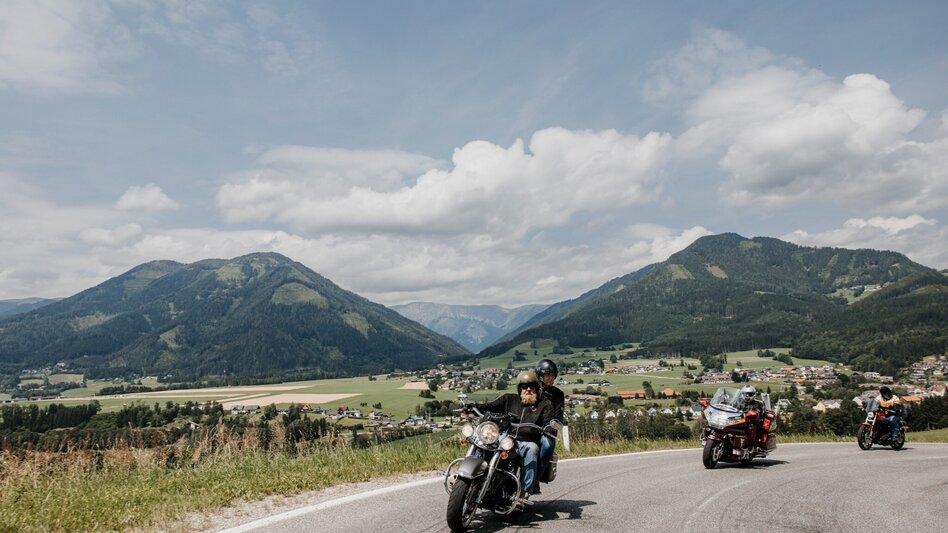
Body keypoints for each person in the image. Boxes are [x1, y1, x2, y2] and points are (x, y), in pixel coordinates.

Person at [471, 370, 552, 498]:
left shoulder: (544, 405)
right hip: (505, 438)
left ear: (537, 388)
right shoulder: (509, 399)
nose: (528, 389)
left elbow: (548, 420)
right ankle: (469, 476)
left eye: (532, 386)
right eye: (525, 386)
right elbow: (490, 406)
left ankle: (523, 492)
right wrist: (474, 408)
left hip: (524, 442)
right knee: (481, 440)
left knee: (533, 448)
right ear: (519, 388)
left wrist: (549, 426)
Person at [535, 358, 564, 487]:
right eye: (547, 375)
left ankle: (536, 476)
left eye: (553, 375)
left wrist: (553, 427)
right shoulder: (531, 389)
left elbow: (559, 416)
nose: (551, 378)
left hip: (545, 431)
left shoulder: (558, 394)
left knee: (547, 445)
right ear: (540, 375)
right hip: (527, 428)